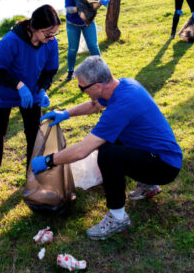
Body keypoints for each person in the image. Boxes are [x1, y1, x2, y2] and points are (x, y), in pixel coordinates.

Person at [32, 56, 182, 240]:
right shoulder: (123, 85)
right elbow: (95, 104)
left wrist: (48, 160)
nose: (81, 91)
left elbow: (82, 150)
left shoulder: (120, 106)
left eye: (82, 87)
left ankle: (118, 218)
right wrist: (66, 113)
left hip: (164, 167)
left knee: (108, 155)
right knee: (112, 142)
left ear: (98, 86)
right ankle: (147, 185)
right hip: (161, 155)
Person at [0, 4, 60, 202]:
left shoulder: (50, 43)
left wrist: (42, 88)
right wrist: (18, 85)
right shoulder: (11, 41)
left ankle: (33, 177)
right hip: (3, 92)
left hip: (31, 93)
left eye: (54, 34)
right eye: (48, 33)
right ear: (34, 27)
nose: (51, 38)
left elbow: (50, 70)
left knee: (34, 135)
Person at [64, 0, 109, 81]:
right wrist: (83, 7)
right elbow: (69, 9)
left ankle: (100, 72)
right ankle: (70, 71)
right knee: (73, 49)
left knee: (93, 46)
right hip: (72, 23)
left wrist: (104, 2)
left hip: (88, 23)